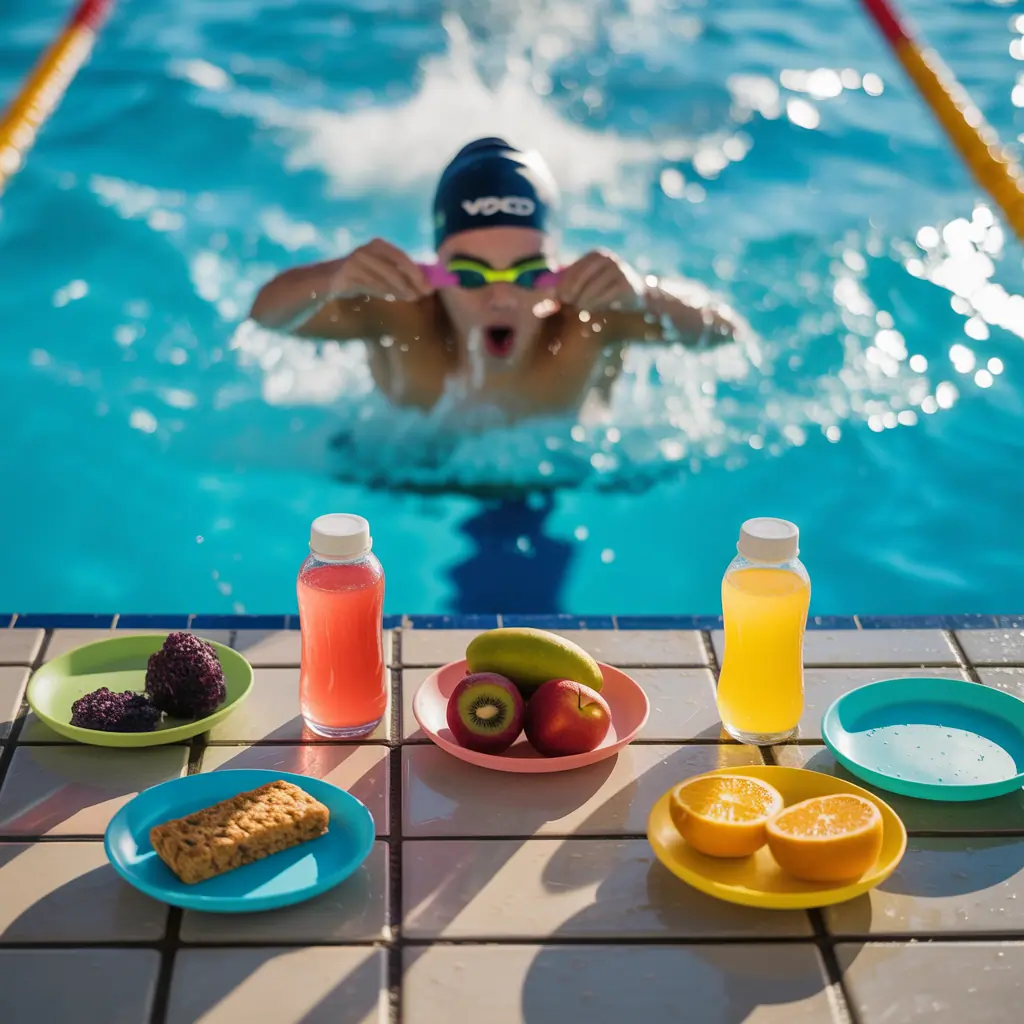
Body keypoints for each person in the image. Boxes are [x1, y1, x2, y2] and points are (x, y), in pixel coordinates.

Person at [250, 137, 743, 420]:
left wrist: (644, 294)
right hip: (401, 481)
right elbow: (267, 315)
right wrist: (333, 275)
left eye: (528, 274)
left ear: (556, 266)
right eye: (470, 275)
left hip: (558, 487)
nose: (501, 297)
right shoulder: (401, 313)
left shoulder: (590, 320)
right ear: (437, 268)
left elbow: (725, 331)